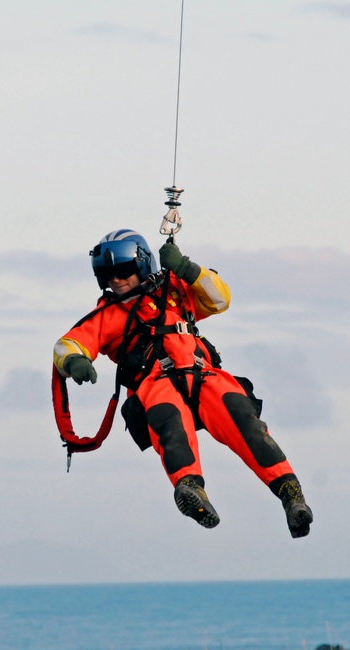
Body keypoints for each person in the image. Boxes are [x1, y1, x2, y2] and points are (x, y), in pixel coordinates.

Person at [53, 229, 314, 538]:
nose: (116, 280)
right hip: (155, 381)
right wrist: (75, 361)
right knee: (169, 423)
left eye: (123, 271)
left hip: (202, 373)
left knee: (243, 417)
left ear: (142, 266)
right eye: (108, 275)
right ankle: (190, 490)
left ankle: (291, 495)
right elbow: (67, 344)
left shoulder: (175, 288)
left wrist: (187, 268)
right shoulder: (106, 315)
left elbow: (220, 298)